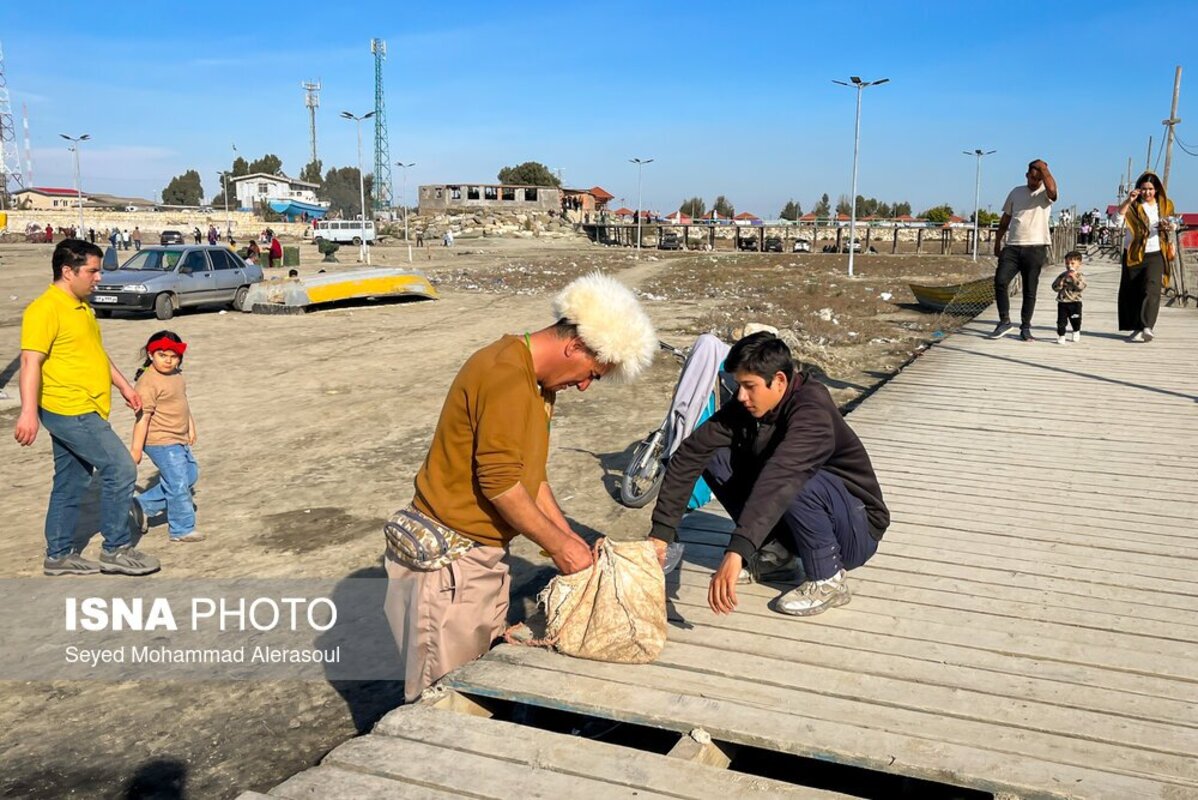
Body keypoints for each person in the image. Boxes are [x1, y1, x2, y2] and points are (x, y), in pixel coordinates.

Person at [383, 272, 657, 702]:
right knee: (444, 698)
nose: (584, 385)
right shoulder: (505, 374)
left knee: (482, 682)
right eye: (591, 374)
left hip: (484, 557)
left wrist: (570, 540)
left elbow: (531, 477)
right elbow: (501, 484)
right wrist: (563, 550)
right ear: (575, 346)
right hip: (448, 563)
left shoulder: (537, 385)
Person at [648, 332, 889, 617]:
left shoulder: (812, 412)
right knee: (712, 454)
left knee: (796, 479)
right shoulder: (747, 408)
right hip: (800, 515)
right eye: (738, 385)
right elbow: (689, 454)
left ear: (779, 381)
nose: (740, 396)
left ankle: (828, 578)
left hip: (855, 530)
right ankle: (776, 556)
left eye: (749, 386)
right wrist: (661, 535)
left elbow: (782, 478)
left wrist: (736, 551)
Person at [12, 239, 161, 576]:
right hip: (70, 408)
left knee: (71, 481)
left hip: (87, 406)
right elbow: (30, 361)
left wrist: (124, 385)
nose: (99, 278)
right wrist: (27, 412)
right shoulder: (45, 309)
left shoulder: (82, 308)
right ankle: (116, 548)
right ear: (68, 271)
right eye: (93, 271)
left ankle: (59, 555)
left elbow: (94, 353)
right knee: (121, 469)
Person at [130, 331, 202, 543]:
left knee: (189, 475)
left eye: (173, 356)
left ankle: (142, 505)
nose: (168, 360)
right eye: (162, 355)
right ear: (151, 355)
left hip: (178, 438)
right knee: (178, 485)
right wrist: (136, 449)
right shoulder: (148, 383)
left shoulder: (177, 375)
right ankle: (182, 529)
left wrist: (190, 426)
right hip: (160, 441)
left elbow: (182, 402)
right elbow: (142, 418)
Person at [989, 159, 1058, 341]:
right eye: (1032, 178)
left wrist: (1043, 167)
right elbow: (1006, 218)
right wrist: (998, 242)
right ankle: (1004, 321)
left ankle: (1025, 327)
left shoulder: (1045, 193)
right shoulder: (1016, 192)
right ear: (1026, 175)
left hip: (1036, 248)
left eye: (1038, 178)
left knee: (1030, 289)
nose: (1034, 182)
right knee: (1000, 281)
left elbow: (1053, 191)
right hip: (1012, 247)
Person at [1117, 171, 1174, 342]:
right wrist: (1129, 201)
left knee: (1152, 289)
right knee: (1133, 291)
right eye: (1143, 189)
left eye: (1150, 189)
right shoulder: (1133, 205)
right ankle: (1137, 327)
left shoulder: (1165, 205)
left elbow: (1174, 223)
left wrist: (1170, 226)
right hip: (1134, 254)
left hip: (1156, 252)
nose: (1147, 192)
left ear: (1156, 189)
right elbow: (1117, 221)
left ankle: (1147, 326)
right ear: (1138, 189)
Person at [1051, 251, 1087, 344]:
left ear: (1079, 264)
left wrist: (1074, 278)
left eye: (1072, 263)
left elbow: (1081, 287)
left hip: (1075, 301)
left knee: (1075, 319)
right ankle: (1061, 335)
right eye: (1067, 263)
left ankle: (1076, 331)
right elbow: (1054, 287)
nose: (1069, 265)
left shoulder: (1080, 276)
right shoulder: (1062, 275)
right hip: (1063, 301)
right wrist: (1061, 282)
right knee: (1061, 321)